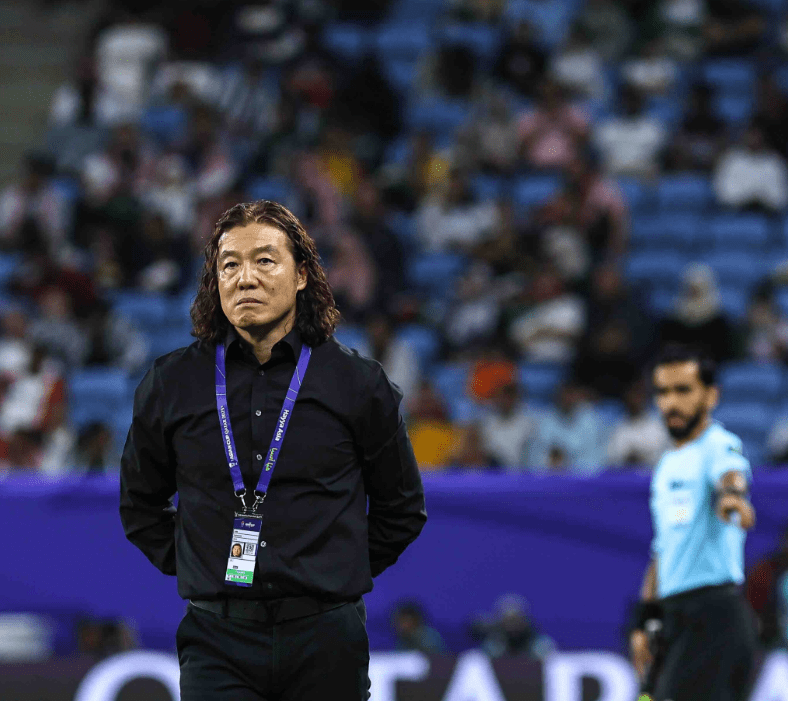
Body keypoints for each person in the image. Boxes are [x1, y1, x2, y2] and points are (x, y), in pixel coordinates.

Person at [120, 200, 427, 701]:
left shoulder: (358, 383)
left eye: (264, 260)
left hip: (326, 638)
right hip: (216, 639)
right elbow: (139, 504)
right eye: (229, 265)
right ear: (215, 281)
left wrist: (334, 568)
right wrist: (198, 563)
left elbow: (402, 509)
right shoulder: (170, 383)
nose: (245, 278)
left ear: (301, 274)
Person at [629, 345, 757, 701]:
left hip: (714, 617)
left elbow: (731, 474)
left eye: (683, 390)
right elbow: (664, 550)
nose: (671, 403)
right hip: (676, 618)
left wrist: (733, 498)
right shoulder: (667, 465)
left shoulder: (719, 445)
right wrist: (645, 621)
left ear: (711, 395)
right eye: (663, 392)